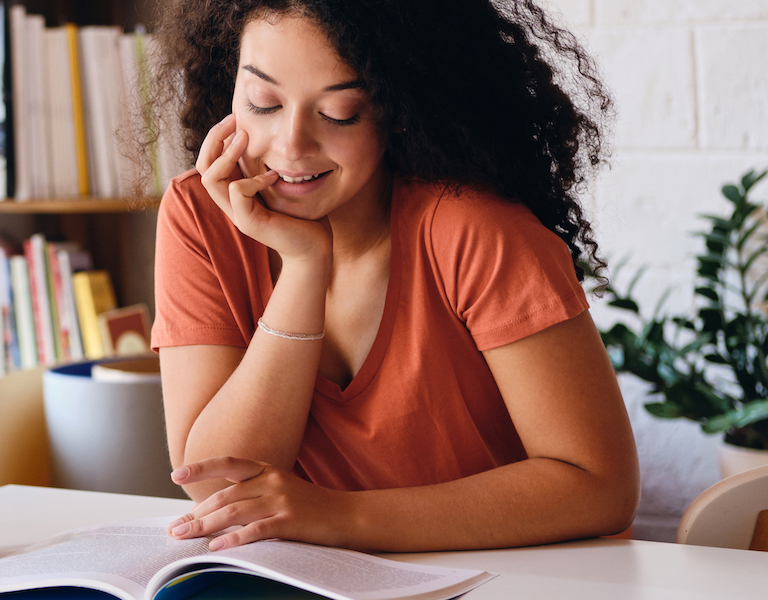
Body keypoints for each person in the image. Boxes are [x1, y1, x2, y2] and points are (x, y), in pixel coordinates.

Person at [147, 0, 640, 553]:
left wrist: (340, 516)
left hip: (524, 575)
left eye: (338, 113)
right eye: (262, 102)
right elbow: (215, 484)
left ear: (399, 107)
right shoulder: (200, 215)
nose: (289, 147)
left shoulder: (474, 232)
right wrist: (304, 269)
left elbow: (599, 487)